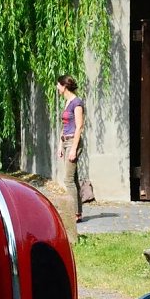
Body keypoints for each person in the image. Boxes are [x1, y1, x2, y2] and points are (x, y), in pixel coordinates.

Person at [56, 74, 85, 223]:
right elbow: (65, 125)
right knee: (73, 178)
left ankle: (73, 213)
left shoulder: (76, 103)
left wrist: (73, 149)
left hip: (73, 141)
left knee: (67, 180)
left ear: (64, 86)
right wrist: (61, 145)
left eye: (58, 85)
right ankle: (78, 212)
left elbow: (79, 126)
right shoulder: (67, 102)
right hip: (66, 141)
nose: (57, 88)